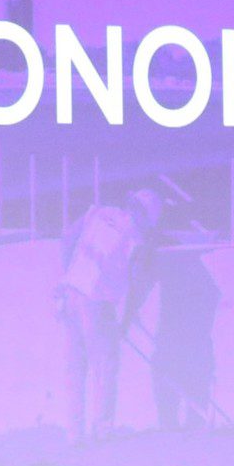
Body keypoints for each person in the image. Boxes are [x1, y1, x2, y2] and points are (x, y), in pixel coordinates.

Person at [56, 188, 161, 443]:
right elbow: (137, 285)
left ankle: (74, 433)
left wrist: (66, 279)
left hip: (72, 292)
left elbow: (67, 238)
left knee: (76, 368)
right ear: (147, 217)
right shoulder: (137, 239)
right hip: (97, 301)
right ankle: (102, 431)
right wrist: (125, 321)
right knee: (105, 367)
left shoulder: (100, 212)